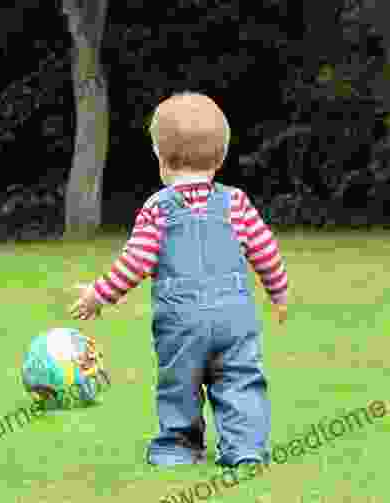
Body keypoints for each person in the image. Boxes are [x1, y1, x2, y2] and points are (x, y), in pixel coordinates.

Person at [70, 92, 288, 468]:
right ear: (220, 158)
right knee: (241, 381)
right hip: (235, 319)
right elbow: (266, 251)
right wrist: (279, 292)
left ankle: (178, 447)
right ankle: (246, 448)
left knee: (179, 385)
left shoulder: (158, 208)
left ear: (159, 157)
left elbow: (134, 262)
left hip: (180, 323)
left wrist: (98, 295)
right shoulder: (236, 203)